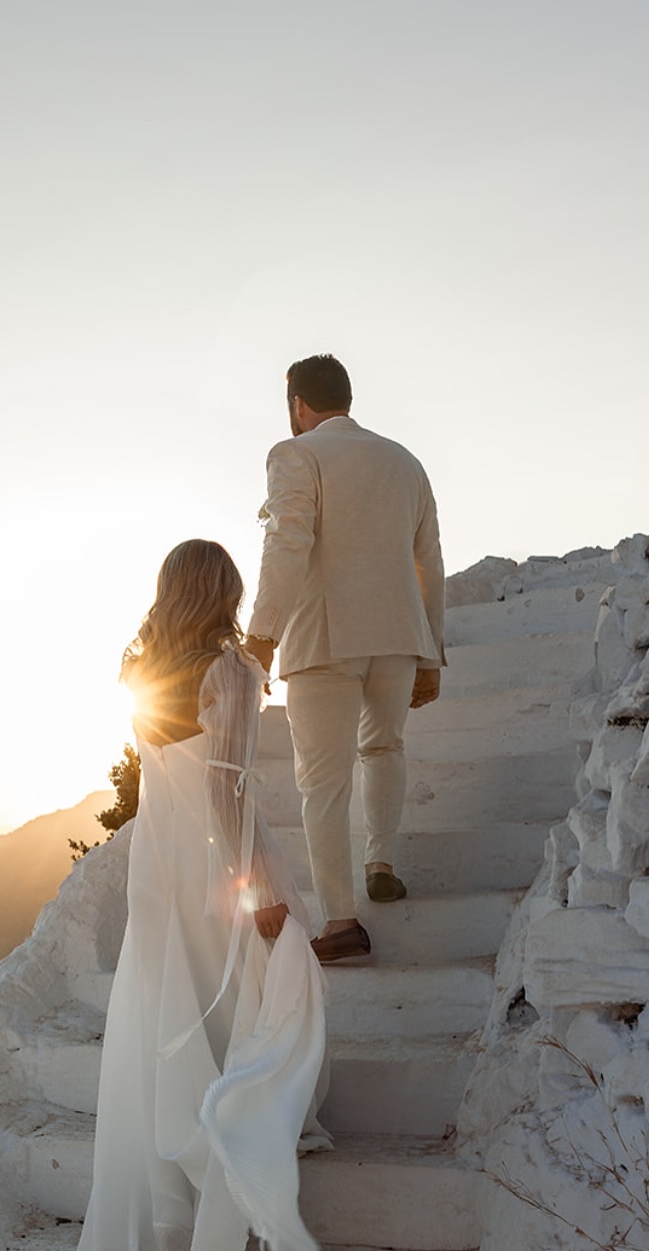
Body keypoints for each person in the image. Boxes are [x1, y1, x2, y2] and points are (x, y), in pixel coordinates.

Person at [73, 539, 329, 1251]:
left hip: (159, 865)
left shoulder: (144, 668)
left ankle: (192, 1136)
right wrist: (255, 886)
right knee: (265, 980)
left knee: (177, 1006)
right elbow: (226, 789)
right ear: (225, 591)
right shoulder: (231, 671)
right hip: (214, 856)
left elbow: (164, 784)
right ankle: (247, 1120)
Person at [244, 353, 445, 965]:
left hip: (323, 639)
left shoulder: (294, 454)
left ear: (298, 405)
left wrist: (261, 634)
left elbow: (288, 542)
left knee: (322, 783)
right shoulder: (405, 462)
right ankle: (380, 859)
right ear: (348, 399)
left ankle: (339, 921)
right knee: (384, 747)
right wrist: (431, 650)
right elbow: (429, 561)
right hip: (398, 638)